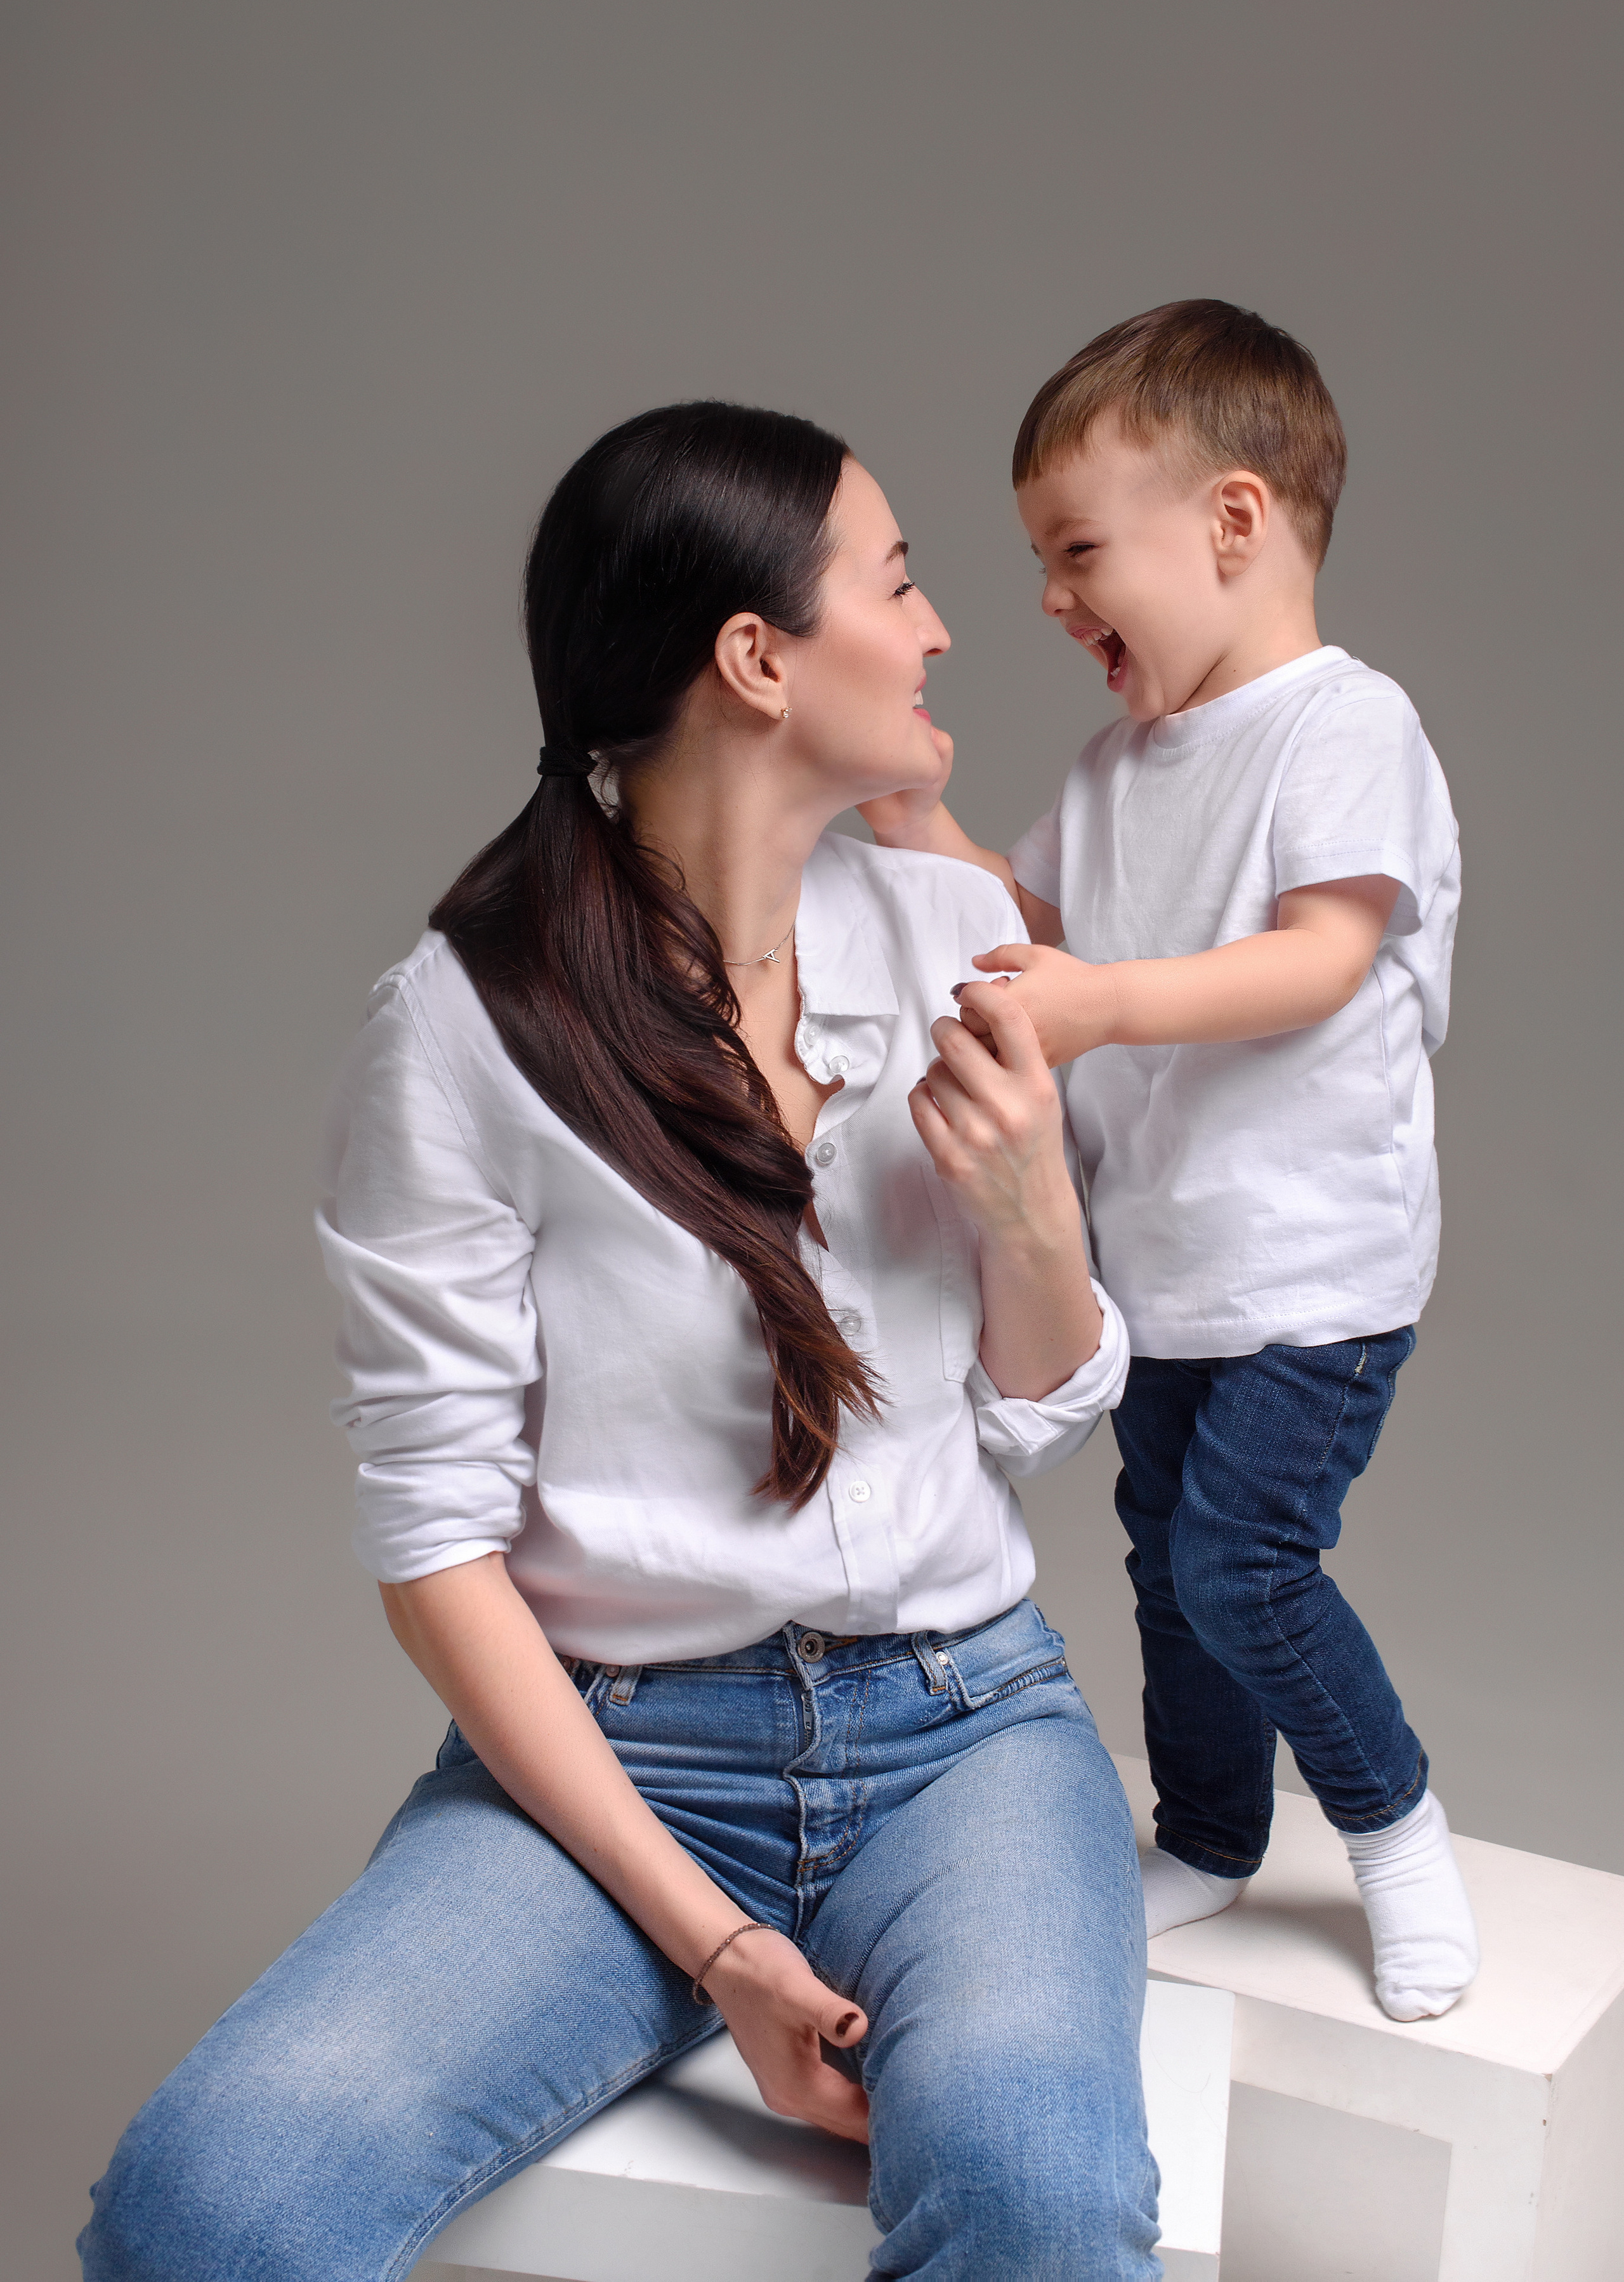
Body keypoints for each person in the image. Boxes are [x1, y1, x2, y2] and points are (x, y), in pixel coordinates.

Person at [79, 402, 1162, 2281]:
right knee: (213, 2202)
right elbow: (437, 1547)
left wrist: (1035, 1224)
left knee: (1043, 2200)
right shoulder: (462, 1023)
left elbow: (1040, 1404)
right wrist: (721, 1944)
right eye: (898, 583)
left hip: (968, 1733)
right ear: (756, 657)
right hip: (620, 1759)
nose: (940, 629)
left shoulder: (952, 931)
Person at [861, 302, 1480, 2024]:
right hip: (1169, 1262)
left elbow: (1320, 956)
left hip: (1316, 1266)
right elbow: (1042, 923)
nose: (1052, 603)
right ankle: (1209, 1830)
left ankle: (1396, 1817)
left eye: (1076, 554)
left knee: (1242, 1562)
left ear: (1232, 520)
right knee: (1163, 1555)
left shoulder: (1346, 727)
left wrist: (1109, 1003)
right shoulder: (1121, 763)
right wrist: (930, 840)